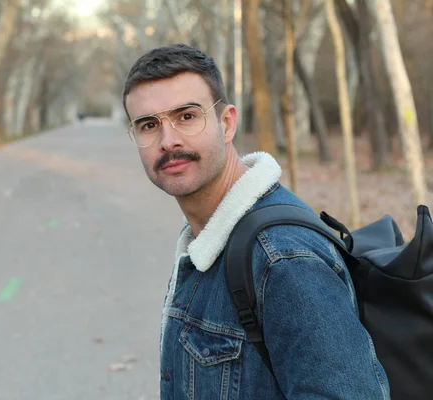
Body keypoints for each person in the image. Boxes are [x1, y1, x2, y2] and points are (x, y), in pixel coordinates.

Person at [122, 43, 390, 399]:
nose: (168, 141)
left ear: (227, 122)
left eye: (187, 116)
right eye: (149, 125)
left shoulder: (283, 258)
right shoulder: (212, 236)